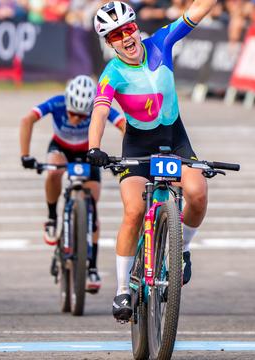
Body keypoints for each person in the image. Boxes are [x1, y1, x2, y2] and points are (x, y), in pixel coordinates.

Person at [86, 0, 216, 322]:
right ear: (108, 43)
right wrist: (94, 147)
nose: (125, 38)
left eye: (128, 29)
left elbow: (197, 11)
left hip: (174, 139)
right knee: (133, 211)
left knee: (197, 194)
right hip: (137, 146)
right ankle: (121, 289)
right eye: (115, 35)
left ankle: (181, 249)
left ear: (136, 28)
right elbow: (100, 111)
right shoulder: (112, 73)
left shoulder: (161, 42)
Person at [19, 75, 125, 291]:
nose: (76, 119)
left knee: (92, 209)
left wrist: (125, 158)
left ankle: (92, 266)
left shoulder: (98, 103)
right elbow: (27, 119)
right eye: (72, 113)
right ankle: (51, 217)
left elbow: (124, 124)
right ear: (66, 103)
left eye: (81, 115)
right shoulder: (57, 102)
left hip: (89, 153)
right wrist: (25, 155)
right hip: (61, 148)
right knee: (53, 171)